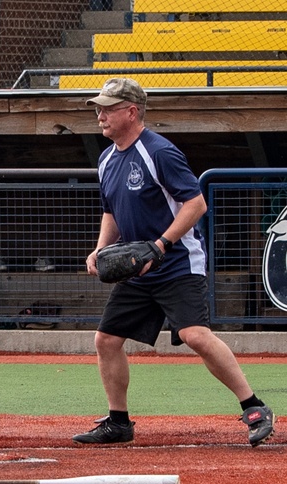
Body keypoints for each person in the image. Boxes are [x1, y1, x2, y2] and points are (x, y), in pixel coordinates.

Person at [75, 77, 275, 446]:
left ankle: (254, 407)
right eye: (98, 107)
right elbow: (111, 212)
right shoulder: (107, 159)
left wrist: (162, 245)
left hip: (177, 262)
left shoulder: (159, 151)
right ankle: (119, 422)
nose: (100, 114)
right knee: (106, 340)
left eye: (107, 107)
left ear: (131, 111)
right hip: (137, 265)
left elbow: (196, 203)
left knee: (194, 335)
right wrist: (101, 248)